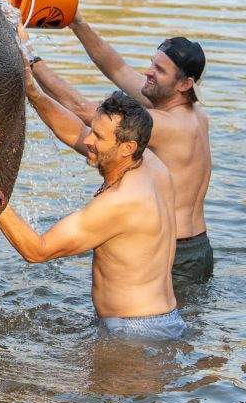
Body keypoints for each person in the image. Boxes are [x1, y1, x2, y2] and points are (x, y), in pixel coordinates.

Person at [0, 90, 181, 338]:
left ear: (126, 148)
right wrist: (33, 92)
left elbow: (38, 250)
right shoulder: (152, 165)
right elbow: (76, 132)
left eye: (98, 137)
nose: (88, 140)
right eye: (93, 129)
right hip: (162, 320)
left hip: (133, 334)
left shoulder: (121, 202)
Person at [27, 22, 211, 285]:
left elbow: (81, 109)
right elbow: (117, 68)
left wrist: (30, 59)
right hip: (198, 246)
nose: (148, 72)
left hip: (175, 256)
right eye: (152, 63)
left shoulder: (163, 125)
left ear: (184, 84)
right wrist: (75, 21)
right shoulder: (195, 115)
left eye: (159, 70)